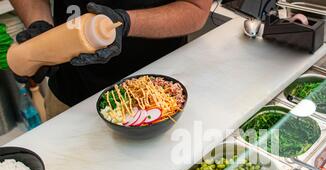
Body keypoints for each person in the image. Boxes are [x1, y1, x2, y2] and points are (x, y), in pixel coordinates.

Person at [10, 0, 212, 118]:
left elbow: (195, 7)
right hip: (69, 94)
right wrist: (38, 23)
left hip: (158, 98)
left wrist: (126, 22)